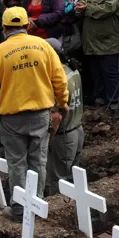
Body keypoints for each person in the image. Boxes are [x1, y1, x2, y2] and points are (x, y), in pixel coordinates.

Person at [0, 7, 68, 221]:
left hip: (12, 119)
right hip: (40, 114)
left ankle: (19, 209)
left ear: (4, 27)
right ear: (27, 25)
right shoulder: (43, 46)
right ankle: (35, 204)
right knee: (38, 160)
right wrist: (62, 104)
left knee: (17, 163)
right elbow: (60, 79)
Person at [76, 0, 119, 112]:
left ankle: (114, 102)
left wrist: (87, 8)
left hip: (108, 38)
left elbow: (109, 8)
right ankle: (100, 100)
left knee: (109, 71)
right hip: (91, 38)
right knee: (96, 71)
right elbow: (85, 1)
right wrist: (80, 5)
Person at [44, 37, 83, 196]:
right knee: (71, 177)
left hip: (63, 136)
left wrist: (50, 137)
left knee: (58, 181)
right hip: (77, 130)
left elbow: (57, 116)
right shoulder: (72, 70)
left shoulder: (57, 80)